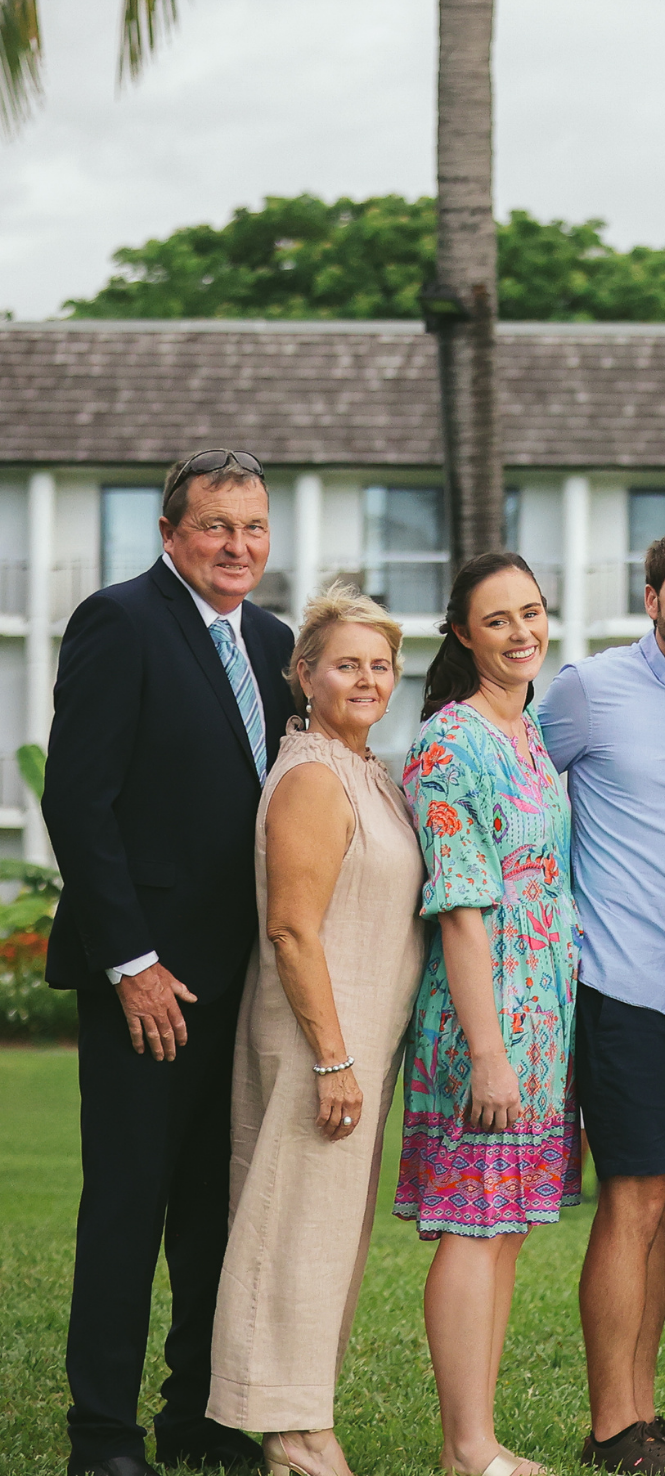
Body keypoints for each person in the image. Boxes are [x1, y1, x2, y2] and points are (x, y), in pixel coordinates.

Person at [44, 448, 290, 1476]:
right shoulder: (120, 621)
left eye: (253, 528)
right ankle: (103, 1433)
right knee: (128, 1208)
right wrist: (131, 963)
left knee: (213, 1213)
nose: (237, 546)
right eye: (215, 528)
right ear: (169, 534)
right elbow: (78, 802)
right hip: (151, 985)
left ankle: (195, 1416)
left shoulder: (275, 641)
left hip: (245, 987)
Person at [536, 526, 665, 1476]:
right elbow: (521, 797)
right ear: (652, 593)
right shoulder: (586, 690)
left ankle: (644, 1415)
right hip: (610, 979)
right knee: (629, 1198)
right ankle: (612, 1423)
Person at [206, 589, 426, 1476]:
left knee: (330, 1232)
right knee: (291, 1229)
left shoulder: (367, 767)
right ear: (304, 674)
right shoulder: (310, 776)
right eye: (346, 663)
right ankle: (290, 1433)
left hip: (358, 1041)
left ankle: (304, 1413)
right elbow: (292, 928)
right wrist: (333, 1056)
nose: (367, 678)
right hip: (317, 1040)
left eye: (380, 664)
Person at [400, 551, 580, 1476]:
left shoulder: (531, 735)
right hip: (485, 1020)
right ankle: (468, 1446)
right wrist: (489, 1053)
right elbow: (462, 908)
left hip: (543, 1015)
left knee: (504, 1225)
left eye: (533, 613)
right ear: (463, 632)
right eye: (499, 619)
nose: (522, 633)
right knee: (473, 1225)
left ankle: (477, 1439)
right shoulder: (449, 741)